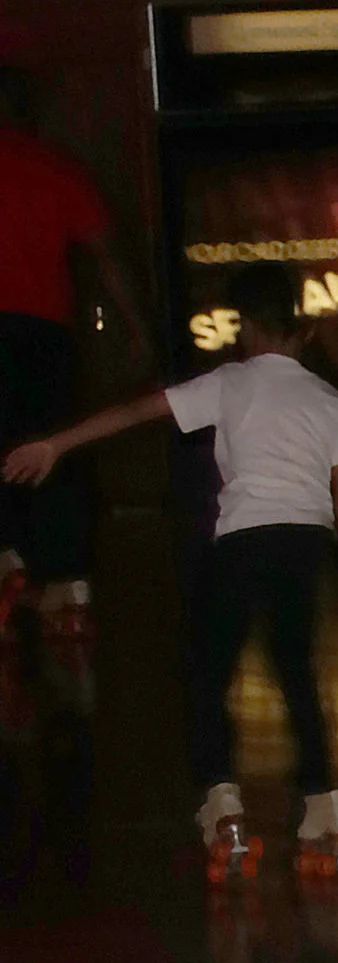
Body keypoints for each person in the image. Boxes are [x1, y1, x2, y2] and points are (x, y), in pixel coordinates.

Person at [3, 262, 338, 854]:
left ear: (245, 327)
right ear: (300, 330)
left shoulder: (229, 383)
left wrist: (57, 443)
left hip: (243, 540)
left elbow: (138, 412)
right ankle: (326, 805)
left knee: (209, 671)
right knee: (295, 668)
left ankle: (223, 801)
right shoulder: (327, 399)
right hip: (305, 543)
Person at [0, 65, 146, 636]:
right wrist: (137, 328)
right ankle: (65, 583)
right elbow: (108, 256)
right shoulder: (59, 170)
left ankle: (7, 559)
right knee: (49, 447)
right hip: (45, 335)